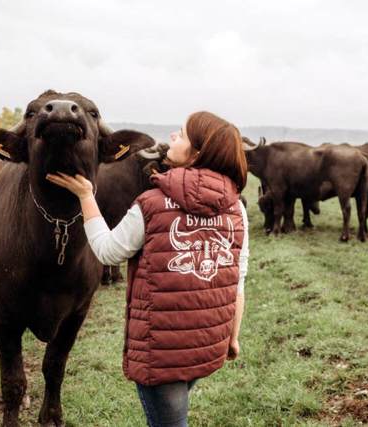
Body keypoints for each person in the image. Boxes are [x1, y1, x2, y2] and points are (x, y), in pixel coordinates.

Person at [49, 111, 249, 427]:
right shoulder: (236, 206)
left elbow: (108, 251)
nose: (172, 136)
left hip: (161, 354)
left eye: (181, 134)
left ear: (197, 153)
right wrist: (233, 336)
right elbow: (239, 275)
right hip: (210, 344)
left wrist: (86, 196)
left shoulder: (151, 203)